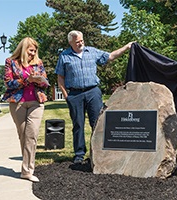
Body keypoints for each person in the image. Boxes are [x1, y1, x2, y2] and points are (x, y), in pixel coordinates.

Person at [55, 30, 133, 164]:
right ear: (71, 42)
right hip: (75, 94)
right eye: (77, 42)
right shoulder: (64, 56)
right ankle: (79, 154)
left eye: (82, 41)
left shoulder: (92, 52)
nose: (80, 43)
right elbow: (60, 77)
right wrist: (66, 95)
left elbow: (110, 56)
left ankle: (99, 152)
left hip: (93, 92)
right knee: (78, 124)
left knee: (97, 123)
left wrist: (127, 47)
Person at [2, 37, 49, 182]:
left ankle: (27, 171)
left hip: (36, 102)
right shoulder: (11, 62)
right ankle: (27, 167)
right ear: (23, 49)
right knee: (23, 136)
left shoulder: (38, 63)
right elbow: (9, 83)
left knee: (31, 135)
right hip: (18, 103)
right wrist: (27, 80)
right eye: (31, 51)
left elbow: (45, 83)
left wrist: (40, 80)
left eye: (35, 51)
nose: (33, 54)